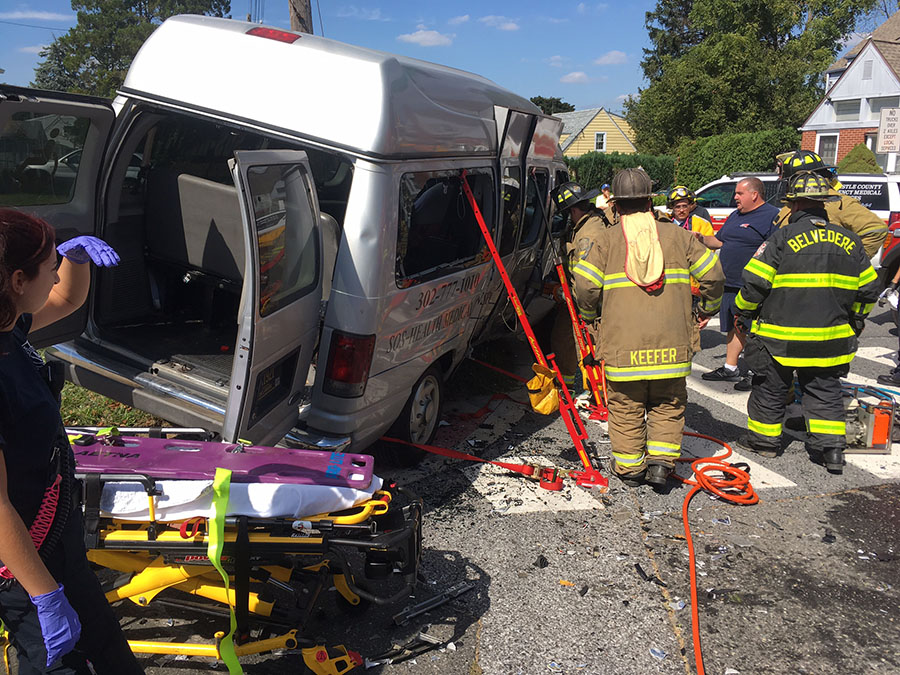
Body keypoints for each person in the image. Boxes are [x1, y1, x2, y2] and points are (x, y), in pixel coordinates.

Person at [0, 209, 145, 673]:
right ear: (18, 279)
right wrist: (43, 594)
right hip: (21, 566)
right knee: (52, 660)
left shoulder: (9, 328)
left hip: (54, 540)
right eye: (50, 264)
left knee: (111, 657)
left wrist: (74, 259)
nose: (57, 273)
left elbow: (64, 300)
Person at [571, 168, 724, 487]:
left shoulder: (605, 240)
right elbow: (714, 276)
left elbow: (585, 286)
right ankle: (660, 467)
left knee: (625, 406)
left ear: (614, 202)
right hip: (672, 346)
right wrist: (707, 308)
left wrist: (588, 316)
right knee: (667, 404)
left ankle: (630, 470)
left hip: (622, 347)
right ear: (649, 200)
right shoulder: (679, 235)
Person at [732, 172, 880, 474]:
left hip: (780, 338)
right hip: (831, 338)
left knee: (770, 389)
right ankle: (832, 451)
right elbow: (868, 289)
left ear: (795, 205)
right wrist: (857, 320)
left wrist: (742, 312)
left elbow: (755, 285)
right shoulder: (851, 242)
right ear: (825, 204)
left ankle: (764, 442)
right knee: (824, 390)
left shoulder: (782, 238)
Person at [698, 177, 778, 391]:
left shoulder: (772, 217)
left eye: (739, 193)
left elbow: (776, 251)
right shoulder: (735, 216)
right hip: (730, 284)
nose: (735, 197)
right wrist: (699, 239)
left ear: (754, 194)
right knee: (735, 326)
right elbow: (720, 241)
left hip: (753, 286)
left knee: (753, 329)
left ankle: (756, 372)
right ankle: (730, 368)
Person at [549, 181, 611, 389]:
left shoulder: (588, 236)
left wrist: (586, 313)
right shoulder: (586, 225)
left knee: (595, 349)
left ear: (574, 210)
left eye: (567, 213)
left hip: (592, 304)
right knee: (562, 337)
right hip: (582, 300)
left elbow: (587, 283)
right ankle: (569, 385)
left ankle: (600, 392)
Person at [774, 150, 887, 259]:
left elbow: (876, 229)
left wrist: (850, 260)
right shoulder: (794, 202)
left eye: (789, 180)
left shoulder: (836, 203)